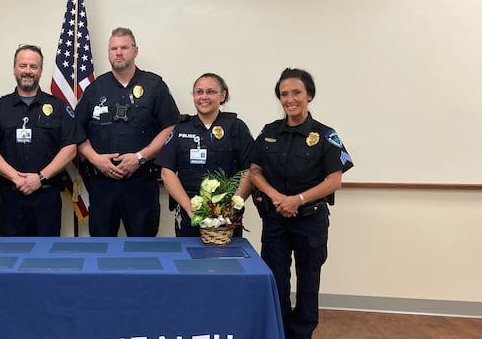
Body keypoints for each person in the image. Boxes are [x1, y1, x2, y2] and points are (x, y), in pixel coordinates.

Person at [248, 68, 353, 339]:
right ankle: (279, 332)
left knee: (308, 282)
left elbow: (334, 181)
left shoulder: (325, 135)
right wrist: (276, 197)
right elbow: (255, 171)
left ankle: (303, 334)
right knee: (275, 280)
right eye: (284, 94)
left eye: (296, 93)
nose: (290, 99)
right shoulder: (269, 131)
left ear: (309, 95)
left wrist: (298, 200)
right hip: (275, 219)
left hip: (310, 221)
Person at [75, 27, 180, 237]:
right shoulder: (95, 89)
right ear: (108, 52)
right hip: (102, 185)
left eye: (124, 48)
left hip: (141, 184)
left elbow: (171, 127)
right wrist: (95, 159)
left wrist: (140, 157)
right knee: (102, 248)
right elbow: (75, 131)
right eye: (113, 48)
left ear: (135, 51)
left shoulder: (154, 86)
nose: (119, 53)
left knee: (142, 249)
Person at [0, 44, 83, 236]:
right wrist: (16, 178)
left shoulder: (58, 107)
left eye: (33, 66)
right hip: (11, 198)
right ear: (14, 68)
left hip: (46, 197)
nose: (28, 71)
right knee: (11, 252)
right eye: (23, 65)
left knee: (46, 253)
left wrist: (40, 178)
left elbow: (70, 148)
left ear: (40, 70)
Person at [157, 73, 254, 237]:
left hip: (226, 216)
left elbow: (250, 171)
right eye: (199, 92)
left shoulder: (236, 128)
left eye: (210, 92)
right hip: (189, 212)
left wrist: (230, 207)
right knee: (188, 253)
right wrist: (190, 209)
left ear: (222, 95)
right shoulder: (181, 128)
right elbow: (167, 172)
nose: (203, 97)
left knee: (226, 254)